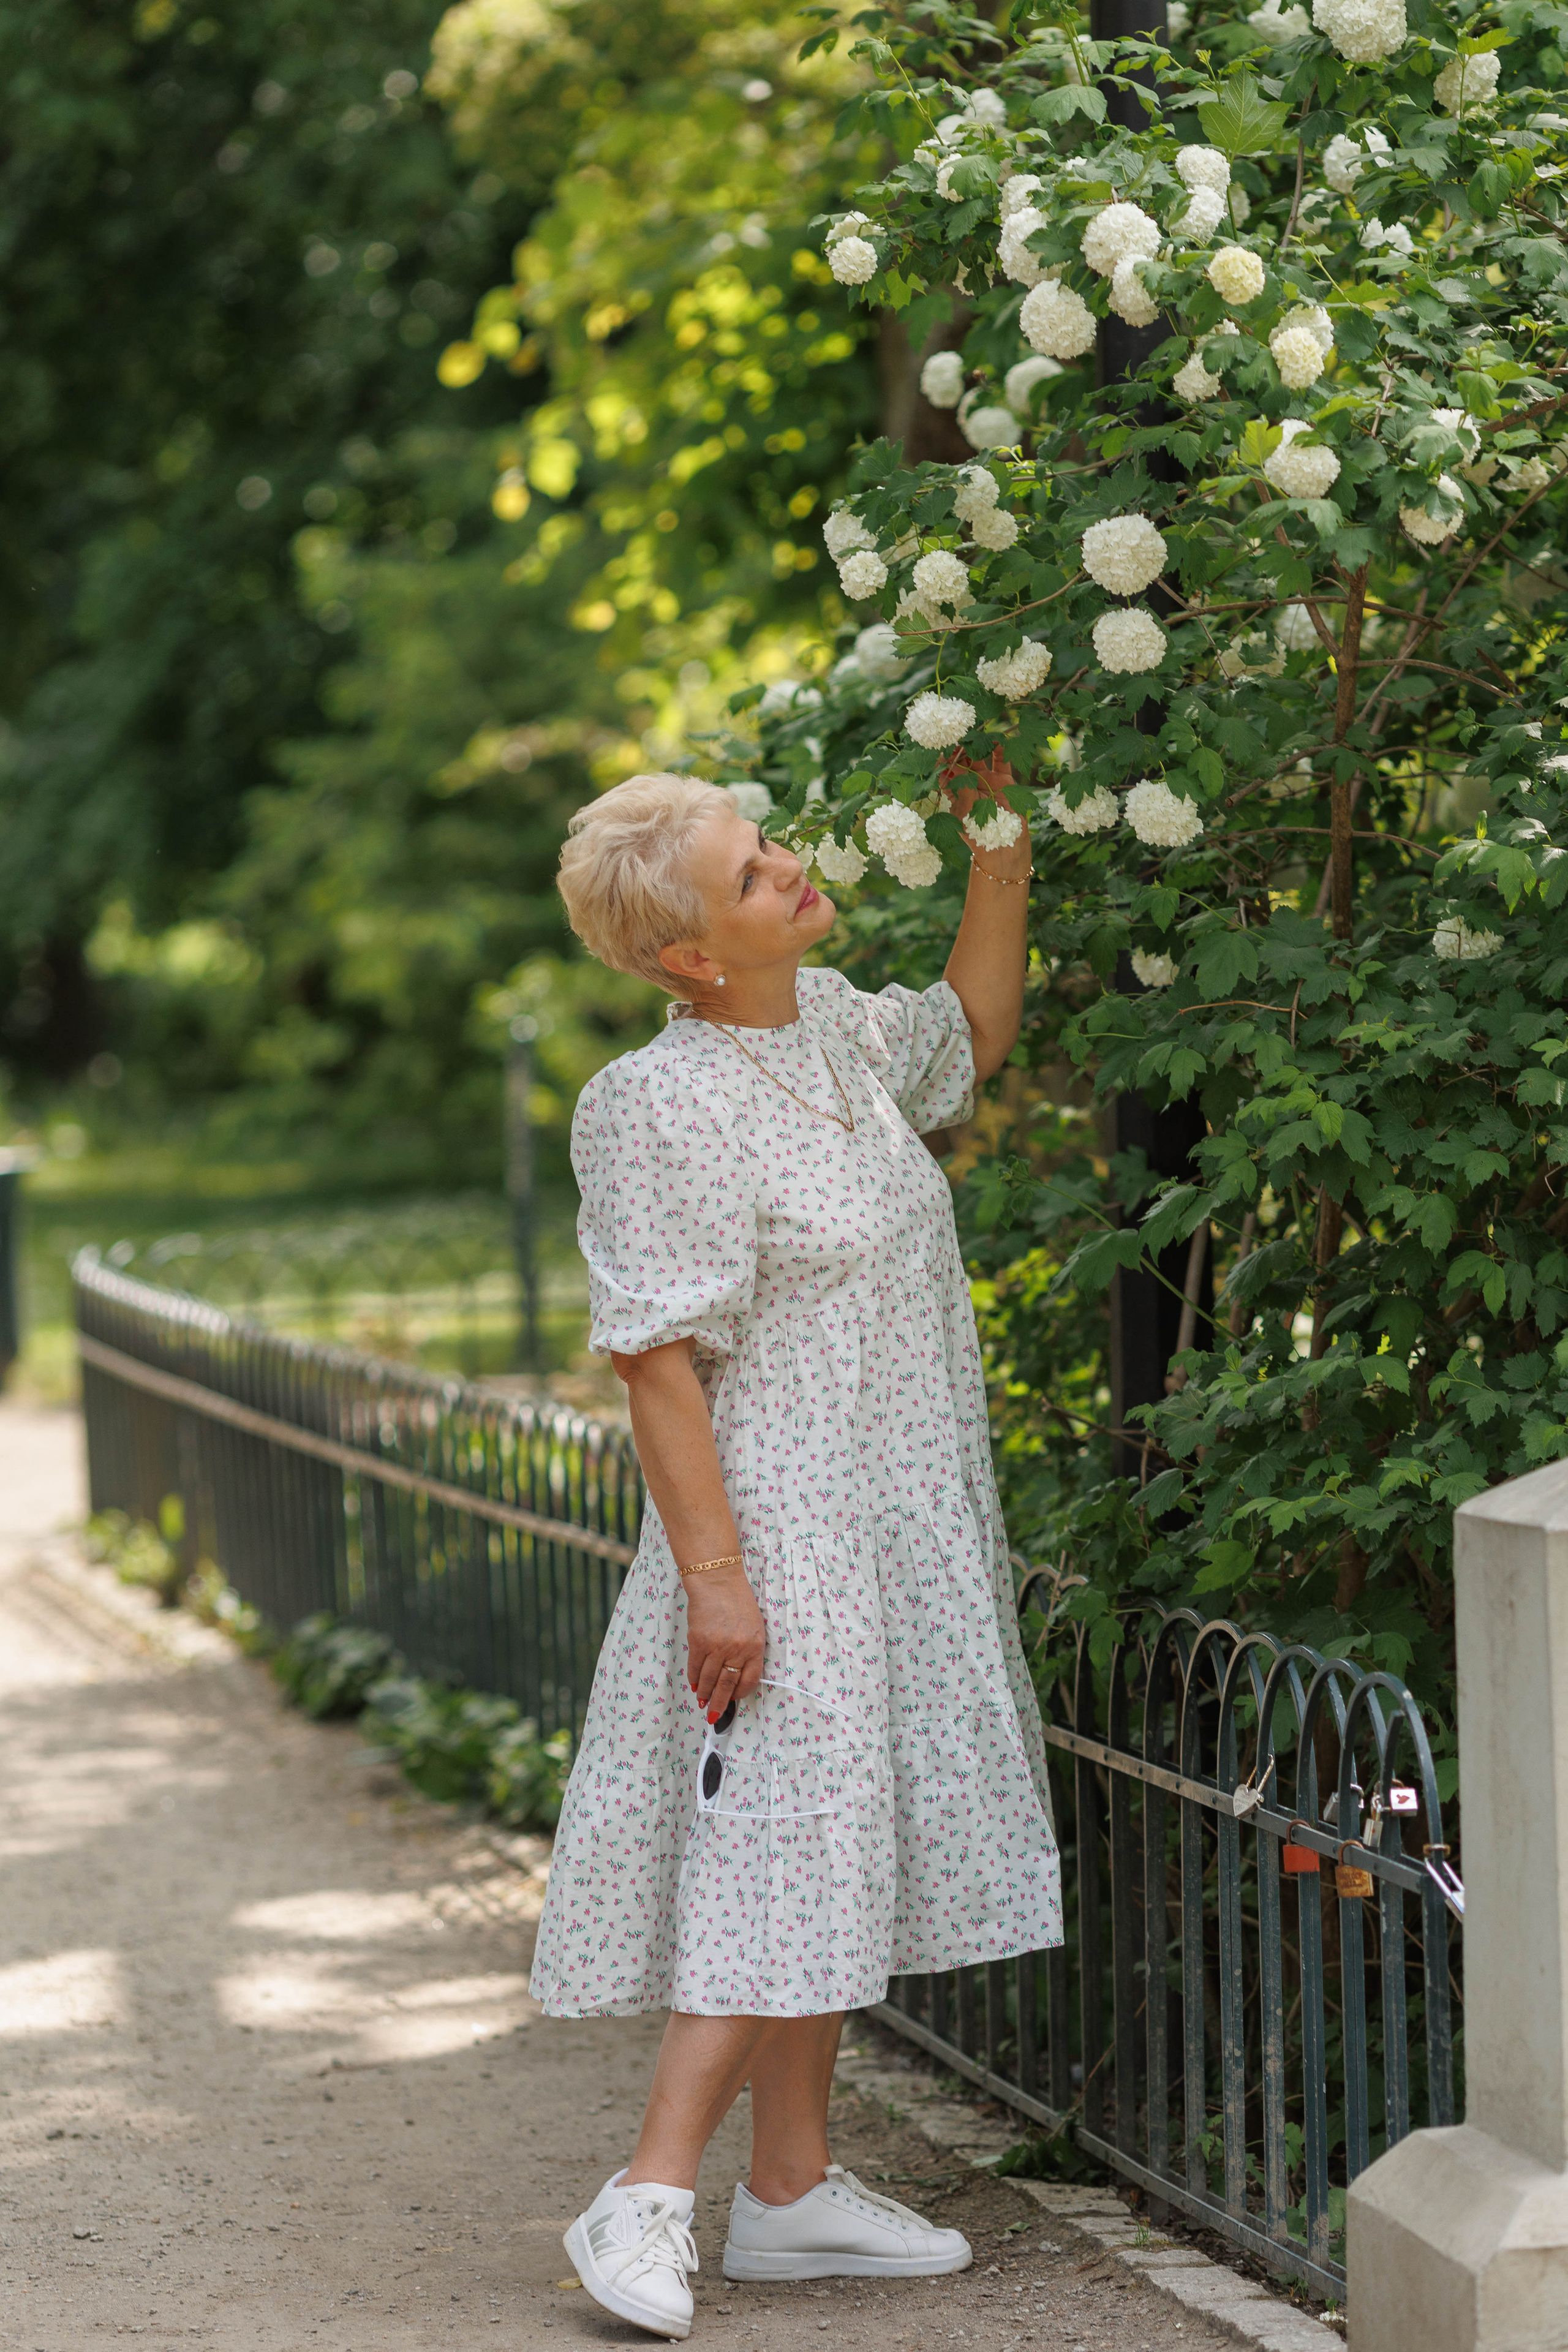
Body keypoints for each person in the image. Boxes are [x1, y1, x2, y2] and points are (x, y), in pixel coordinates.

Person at [533, 763, 1063, 2342]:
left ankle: (789, 2194)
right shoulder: (657, 1104)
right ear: (691, 953)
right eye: (750, 873)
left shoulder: (831, 1024)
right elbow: (655, 1358)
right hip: (777, 1520)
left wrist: (1001, 846)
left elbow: (965, 1041)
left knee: (831, 1829)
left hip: (896, 1504)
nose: (788, 872)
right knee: (789, 1834)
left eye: (770, 849)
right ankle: (644, 2192)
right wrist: (717, 1579)